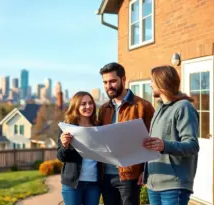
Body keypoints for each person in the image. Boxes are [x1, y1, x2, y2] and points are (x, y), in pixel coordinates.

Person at [98, 62, 155, 205]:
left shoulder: (143, 107)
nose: (108, 86)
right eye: (105, 82)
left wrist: (145, 170)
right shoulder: (104, 109)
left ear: (123, 80)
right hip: (106, 175)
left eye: (112, 81)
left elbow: (152, 141)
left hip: (130, 175)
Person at [142, 65, 199, 205]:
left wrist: (164, 145)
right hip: (153, 184)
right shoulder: (159, 108)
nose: (150, 84)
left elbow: (192, 145)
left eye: (152, 81)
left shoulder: (184, 107)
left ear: (162, 82)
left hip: (174, 185)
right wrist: (146, 174)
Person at [57, 91, 102, 205]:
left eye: (90, 103)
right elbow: (61, 157)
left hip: (94, 184)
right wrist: (65, 145)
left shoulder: (99, 127)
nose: (88, 106)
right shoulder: (67, 128)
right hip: (72, 184)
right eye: (83, 104)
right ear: (76, 106)